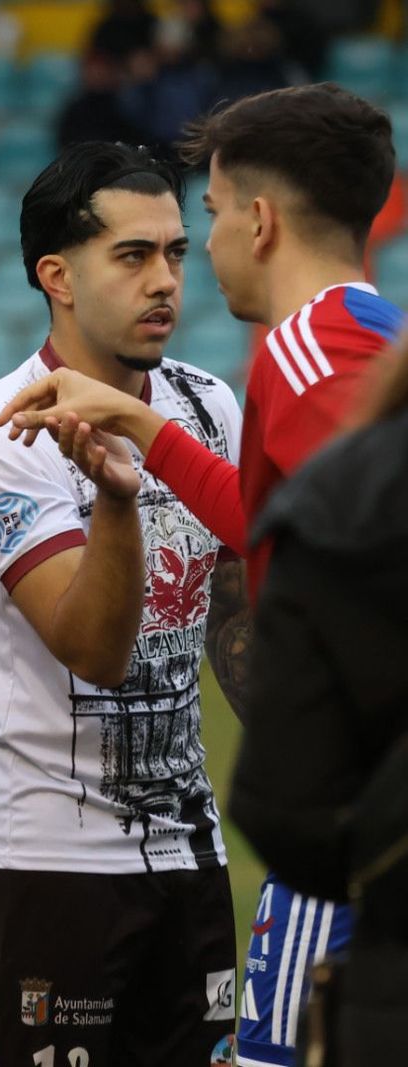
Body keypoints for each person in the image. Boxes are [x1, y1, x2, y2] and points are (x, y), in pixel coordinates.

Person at [0, 85, 401, 1067]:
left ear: (258, 223)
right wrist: (139, 422)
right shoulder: (363, 334)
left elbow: (353, 587)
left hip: (359, 814)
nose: (198, 254)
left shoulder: (310, 357)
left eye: (207, 221)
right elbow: (274, 527)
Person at [0, 142, 246, 1066]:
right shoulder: (5, 433)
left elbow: (237, 621)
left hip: (191, 852)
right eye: (133, 256)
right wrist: (117, 498)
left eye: (177, 253)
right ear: (57, 276)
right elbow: (93, 649)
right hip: (44, 860)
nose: (165, 282)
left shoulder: (208, 406)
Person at [231, 344, 408, 1064]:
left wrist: (381, 871)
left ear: (262, 222)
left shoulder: (344, 490)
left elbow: (281, 804)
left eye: (208, 222)